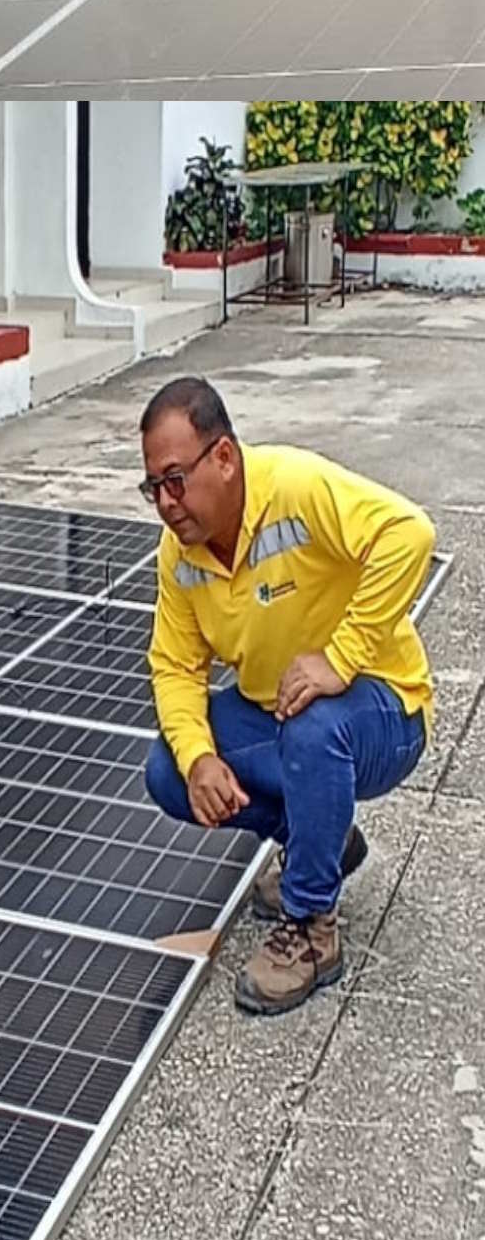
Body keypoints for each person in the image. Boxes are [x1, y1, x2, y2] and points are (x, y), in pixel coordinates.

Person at [139, 378, 435, 1015]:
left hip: (385, 710)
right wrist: (198, 759)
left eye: (174, 480)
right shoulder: (180, 555)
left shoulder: (295, 487)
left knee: (314, 724)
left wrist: (340, 658)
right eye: (152, 488)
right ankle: (319, 845)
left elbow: (410, 535)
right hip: (283, 712)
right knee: (166, 770)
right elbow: (174, 665)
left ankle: (310, 926)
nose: (165, 504)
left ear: (223, 458)